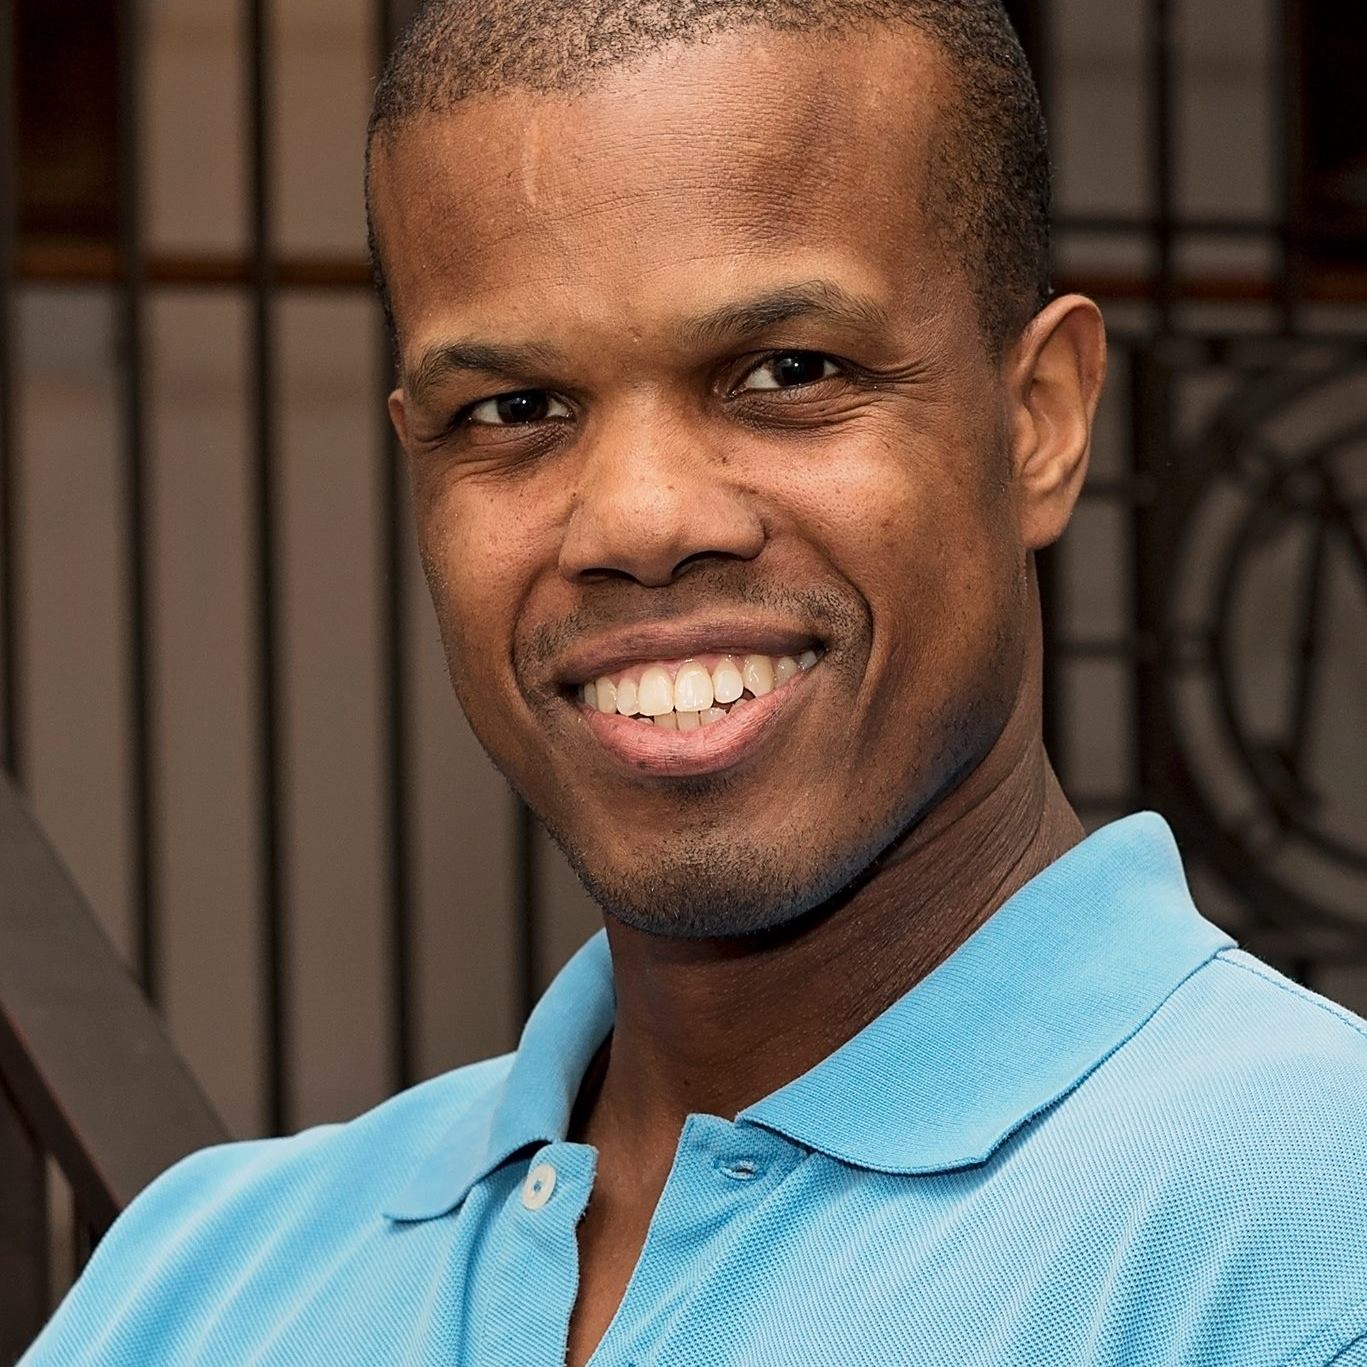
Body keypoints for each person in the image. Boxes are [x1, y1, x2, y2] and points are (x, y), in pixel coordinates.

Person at [24, 1, 1367, 1363]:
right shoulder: (194, 1284)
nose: (641, 520)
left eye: (788, 372)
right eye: (514, 409)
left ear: (1039, 422)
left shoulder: (1309, 1232)